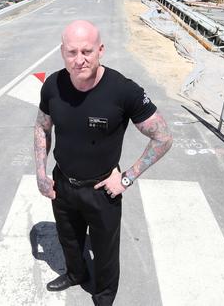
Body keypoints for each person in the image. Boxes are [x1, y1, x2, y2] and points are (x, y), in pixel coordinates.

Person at [34, 20, 173, 306]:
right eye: (72, 52)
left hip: (102, 189)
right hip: (63, 184)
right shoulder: (52, 85)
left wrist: (126, 178)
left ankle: (104, 296)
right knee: (69, 239)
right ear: (62, 52)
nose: (79, 59)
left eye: (87, 51)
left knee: (105, 251)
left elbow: (163, 137)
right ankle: (75, 274)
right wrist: (40, 172)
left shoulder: (123, 90)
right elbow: (42, 127)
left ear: (101, 50)